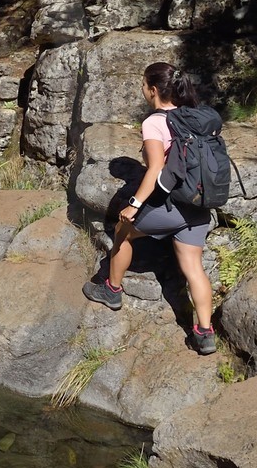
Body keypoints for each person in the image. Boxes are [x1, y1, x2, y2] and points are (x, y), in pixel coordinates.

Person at [82, 61, 218, 355]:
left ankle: (111, 289)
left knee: (123, 231)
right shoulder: (195, 116)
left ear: (153, 90)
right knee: (193, 266)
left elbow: (156, 168)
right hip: (200, 204)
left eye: (144, 85)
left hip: (171, 206)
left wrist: (134, 204)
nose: (143, 90)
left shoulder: (155, 122)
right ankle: (205, 332)